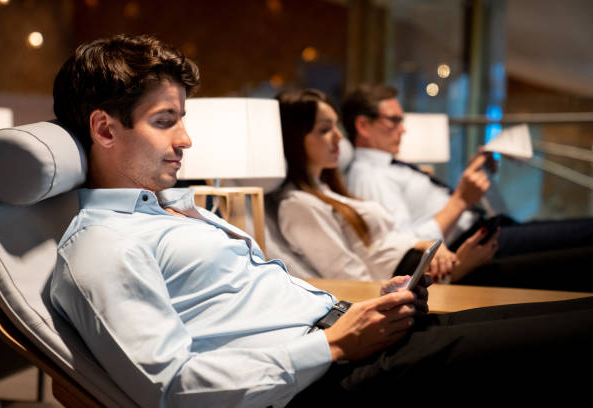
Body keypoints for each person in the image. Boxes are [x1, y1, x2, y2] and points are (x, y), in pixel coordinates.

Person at [49, 34, 593, 407]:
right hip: (333, 376)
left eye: (181, 120)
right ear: (103, 129)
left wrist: (364, 310)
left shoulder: (172, 211)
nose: (185, 140)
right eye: (165, 122)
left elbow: (257, 304)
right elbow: (167, 387)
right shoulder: (103, 248)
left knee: (563, 315)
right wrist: (334, 344)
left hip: (350, 337)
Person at [343, 83, 593, 289]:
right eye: (393, 120)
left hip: (483, 230)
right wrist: (461, 200)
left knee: (579, 233)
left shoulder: (392, 166)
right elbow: (406, 248)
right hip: (468, 245)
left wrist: (475, 179)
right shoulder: (369, 176)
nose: (403, 129)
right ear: (363, 126)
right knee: (582, 235)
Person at [275, 88, 496, 283]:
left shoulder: (328, 192)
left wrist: (422, 245)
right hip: (424, 282)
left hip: (429, 266)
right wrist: (455, 272)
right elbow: (353, 282)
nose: (339, 137)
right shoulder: (298, 205)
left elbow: (387, 241)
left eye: (336, 126)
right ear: (295, 137)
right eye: (324, 129)